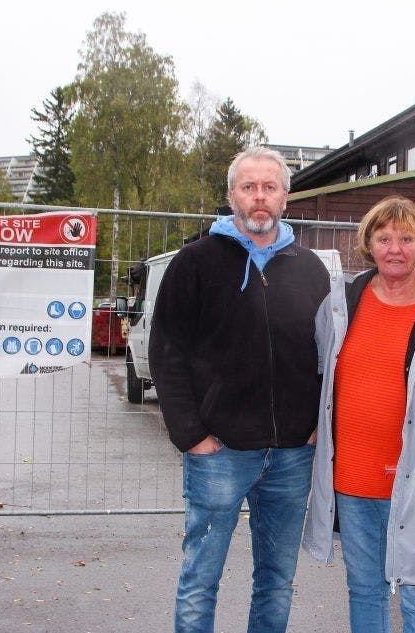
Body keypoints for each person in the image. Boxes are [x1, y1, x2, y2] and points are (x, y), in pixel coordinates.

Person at [149, 146, 330, 633]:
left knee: (277, 582)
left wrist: (316, 423)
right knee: (200, 579)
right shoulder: (195, 263)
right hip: (219, 452)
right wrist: (191, 435)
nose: (259, 197)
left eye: (270, 187)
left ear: (285, 198)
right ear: (232, 195)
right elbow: (166, 352)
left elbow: (328, 354)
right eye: (249, 187)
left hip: (292, 454)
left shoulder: (311, 269)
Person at [302, 195, 415, 633]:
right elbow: (320, 369)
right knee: (364, 589)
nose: (395, 249)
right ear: (369, 244)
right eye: (384, 238)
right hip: (353, 479)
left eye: (405, 238)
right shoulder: (342, 300)